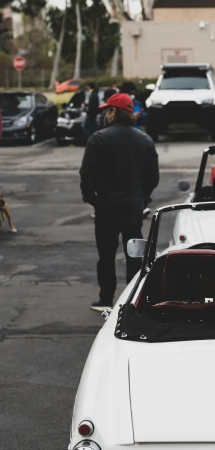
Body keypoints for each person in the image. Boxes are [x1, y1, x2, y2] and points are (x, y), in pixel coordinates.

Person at [79, 93, 159, 312]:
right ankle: (133, 300)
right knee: (134, 254)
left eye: (107, 110)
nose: (105, 114)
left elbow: (87, 174)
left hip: (105, 206)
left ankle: (106, 299)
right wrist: (143, 199)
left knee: (106, 255)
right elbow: (153, 177)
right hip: (133, 206)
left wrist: (91, 199)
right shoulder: (144, 139)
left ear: (113, 112)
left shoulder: (98, 138)